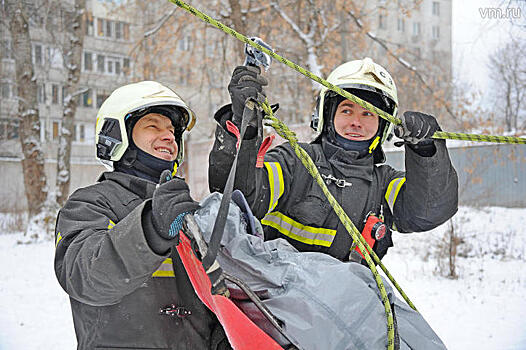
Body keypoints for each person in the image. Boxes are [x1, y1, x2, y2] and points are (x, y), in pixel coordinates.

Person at [209, 57, 458, 262]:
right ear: (327, 114)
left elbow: (426, 212)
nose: (356, 122)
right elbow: (240, 197)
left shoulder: (384, 183)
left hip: (345, 310)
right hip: (274, 301)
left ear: (383, 124)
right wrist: (245, 126)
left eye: (368, 113)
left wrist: (426, 152)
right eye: (347, 109)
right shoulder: (294, 162)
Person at [54, 81, 230, 350]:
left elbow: (210, 300)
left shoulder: (183, 213)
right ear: (117, 134)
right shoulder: (89, 203)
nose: (169, 136)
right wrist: (151, 228)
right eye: (153, 126)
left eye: (172, 130)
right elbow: (86, 277)